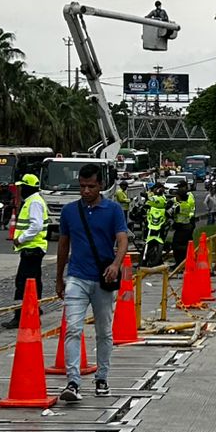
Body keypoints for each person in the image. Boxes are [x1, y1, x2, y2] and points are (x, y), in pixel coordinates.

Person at [54, 162, 130, 402]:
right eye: (82, 186)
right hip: (76, 277)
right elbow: (63, 246)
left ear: (100, 186)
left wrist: (116, 264)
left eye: (91, 186)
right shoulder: (69, 212)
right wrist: (59, 278)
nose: (86, 191)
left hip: (102, 279)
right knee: (73, 329)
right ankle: (73, 381)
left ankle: (102, 378)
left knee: (104, 332)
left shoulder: (113, 210)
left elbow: (122, 239)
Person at [6, 173, 49, 328]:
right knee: (34, 282)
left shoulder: (34, 202)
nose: (21, 189)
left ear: (28, 187)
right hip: (34, 249)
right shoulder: (34, 200)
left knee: (22, 283)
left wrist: (20, 238)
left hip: (32, 248)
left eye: (23, 186)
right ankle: (35, 309)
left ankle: (20, 316)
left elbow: (36, 226)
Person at [171, 181, 197, 266]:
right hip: (187, 223)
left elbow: (172, 212)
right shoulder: (185, 201)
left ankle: (181, 263)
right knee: (188, 243)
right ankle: (188, 261)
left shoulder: (188, 198)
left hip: (185, 223)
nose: (179, 188)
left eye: (180, 187)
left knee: (179, 245)